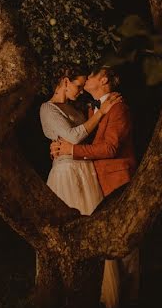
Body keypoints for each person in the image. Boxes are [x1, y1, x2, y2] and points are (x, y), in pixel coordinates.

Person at [50, 66, 139, 308]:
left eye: (91, 76)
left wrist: (72, 151)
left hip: (116, 179)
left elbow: (110, 149)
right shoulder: (91, 109)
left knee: (125, 237)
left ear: (104, 80)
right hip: (92, 180)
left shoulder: (119, 108)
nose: (86, 79)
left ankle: (130, 299)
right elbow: (80, 137)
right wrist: (61, 149)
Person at [40, 68, 121, 215]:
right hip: (67, 171)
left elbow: (88, 138)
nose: (82, 91)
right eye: (79, 86)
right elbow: (74, 137)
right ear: (66, 82)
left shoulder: (75, 108)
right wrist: (101, 112)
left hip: (87, 168)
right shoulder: (48, 108)